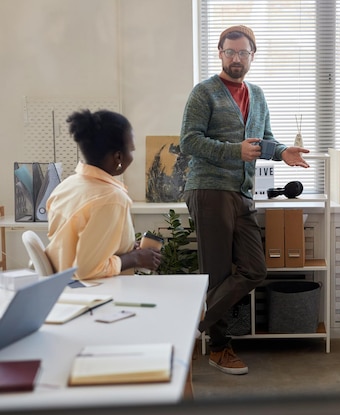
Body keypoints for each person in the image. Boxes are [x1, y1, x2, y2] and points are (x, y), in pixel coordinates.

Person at [179, 25, 309, 376]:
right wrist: (234, 151)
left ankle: (195, 319)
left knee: (255, 268)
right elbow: (189, 141)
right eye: (230, 52)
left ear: (253, 55)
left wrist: (282, 152)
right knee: (217, 272)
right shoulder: (204, 93)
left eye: (243, 53)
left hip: (242, 191)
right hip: (209, 188)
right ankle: (219, 349)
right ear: (220, 53)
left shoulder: (258, 94)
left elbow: (263, 140)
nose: (236, 58)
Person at [46, 109, 162, 280]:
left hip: (63, 286)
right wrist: (135, 258)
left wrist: (126, 248)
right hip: (95, 293)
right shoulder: (111, 199)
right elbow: (85, 269)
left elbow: (77, 242)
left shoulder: (68, 186)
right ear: (118, 157)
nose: (132, 155)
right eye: (132, 149)